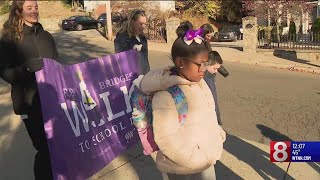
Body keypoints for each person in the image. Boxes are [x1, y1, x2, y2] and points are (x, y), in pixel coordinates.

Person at [139, 23, 226, 180]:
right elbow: (166, 138)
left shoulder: (201, 83)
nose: (204, 69)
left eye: (207, 63)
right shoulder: (167, 95)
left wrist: (217, 135)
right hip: (182, 168)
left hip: (204, 159)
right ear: (180, 62)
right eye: (201, 64)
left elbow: (209, 113)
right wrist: (194, 158)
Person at [0, 0, 58, 179]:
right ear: (18, 11)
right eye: (29, 8)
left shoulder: (46, 36)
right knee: (44, 149)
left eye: (36, 7)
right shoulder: (9, 39)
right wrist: (26, 69)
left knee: (56, 147)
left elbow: (58, 66)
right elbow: (5, 72)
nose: (34, 11)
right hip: (28, 104)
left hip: (52, 101)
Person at [200, 23, 224, 125]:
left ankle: (216, 122)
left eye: (211, 36)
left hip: (210, 75)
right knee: (209, 100)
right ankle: (214, 123)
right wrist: (207, 67)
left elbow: (211, 58)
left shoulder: (206, 44)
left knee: (213, 99)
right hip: (205, 75)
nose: (210, 38)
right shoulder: (198, 45)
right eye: (208, 36)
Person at [114, 9, 150, 75]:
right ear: (132, 22)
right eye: (141, 24)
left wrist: (147, 75)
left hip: (144, 78)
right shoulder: (122, 39)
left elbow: (145, 61)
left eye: (145, 24)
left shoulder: (142, 38)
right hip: (131, 79)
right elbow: (121, 62)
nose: (143, 27)